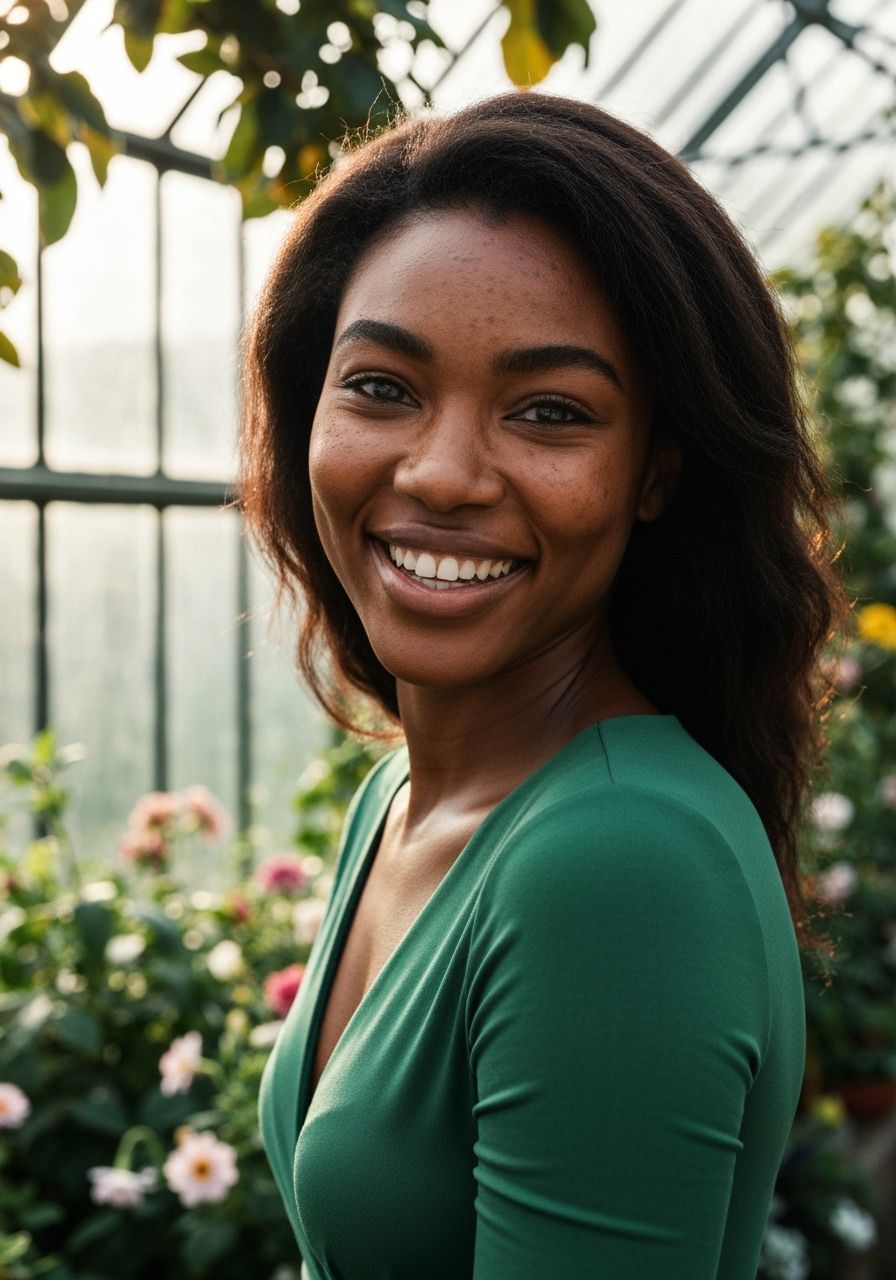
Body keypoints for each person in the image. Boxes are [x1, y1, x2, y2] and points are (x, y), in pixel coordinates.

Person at [239, 92, 848, 1279]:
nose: (444, 472)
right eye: (381, 386)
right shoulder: (404, 793)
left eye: (548, 412)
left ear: (655, 472)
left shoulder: (617, 861)